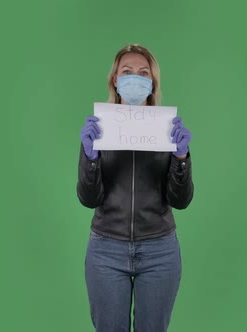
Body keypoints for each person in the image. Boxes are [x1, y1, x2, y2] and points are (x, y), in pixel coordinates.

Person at [77, 44, 194, 332]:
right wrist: (90, 156)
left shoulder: (167, 129)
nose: (135, 78)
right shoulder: (100, 129)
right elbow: (89, 198)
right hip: (106, 248)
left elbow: (181, 200)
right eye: (126, 71)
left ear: (151, 83)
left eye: (143, 73)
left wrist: (181, 157)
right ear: (115, 80)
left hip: (160, 249)